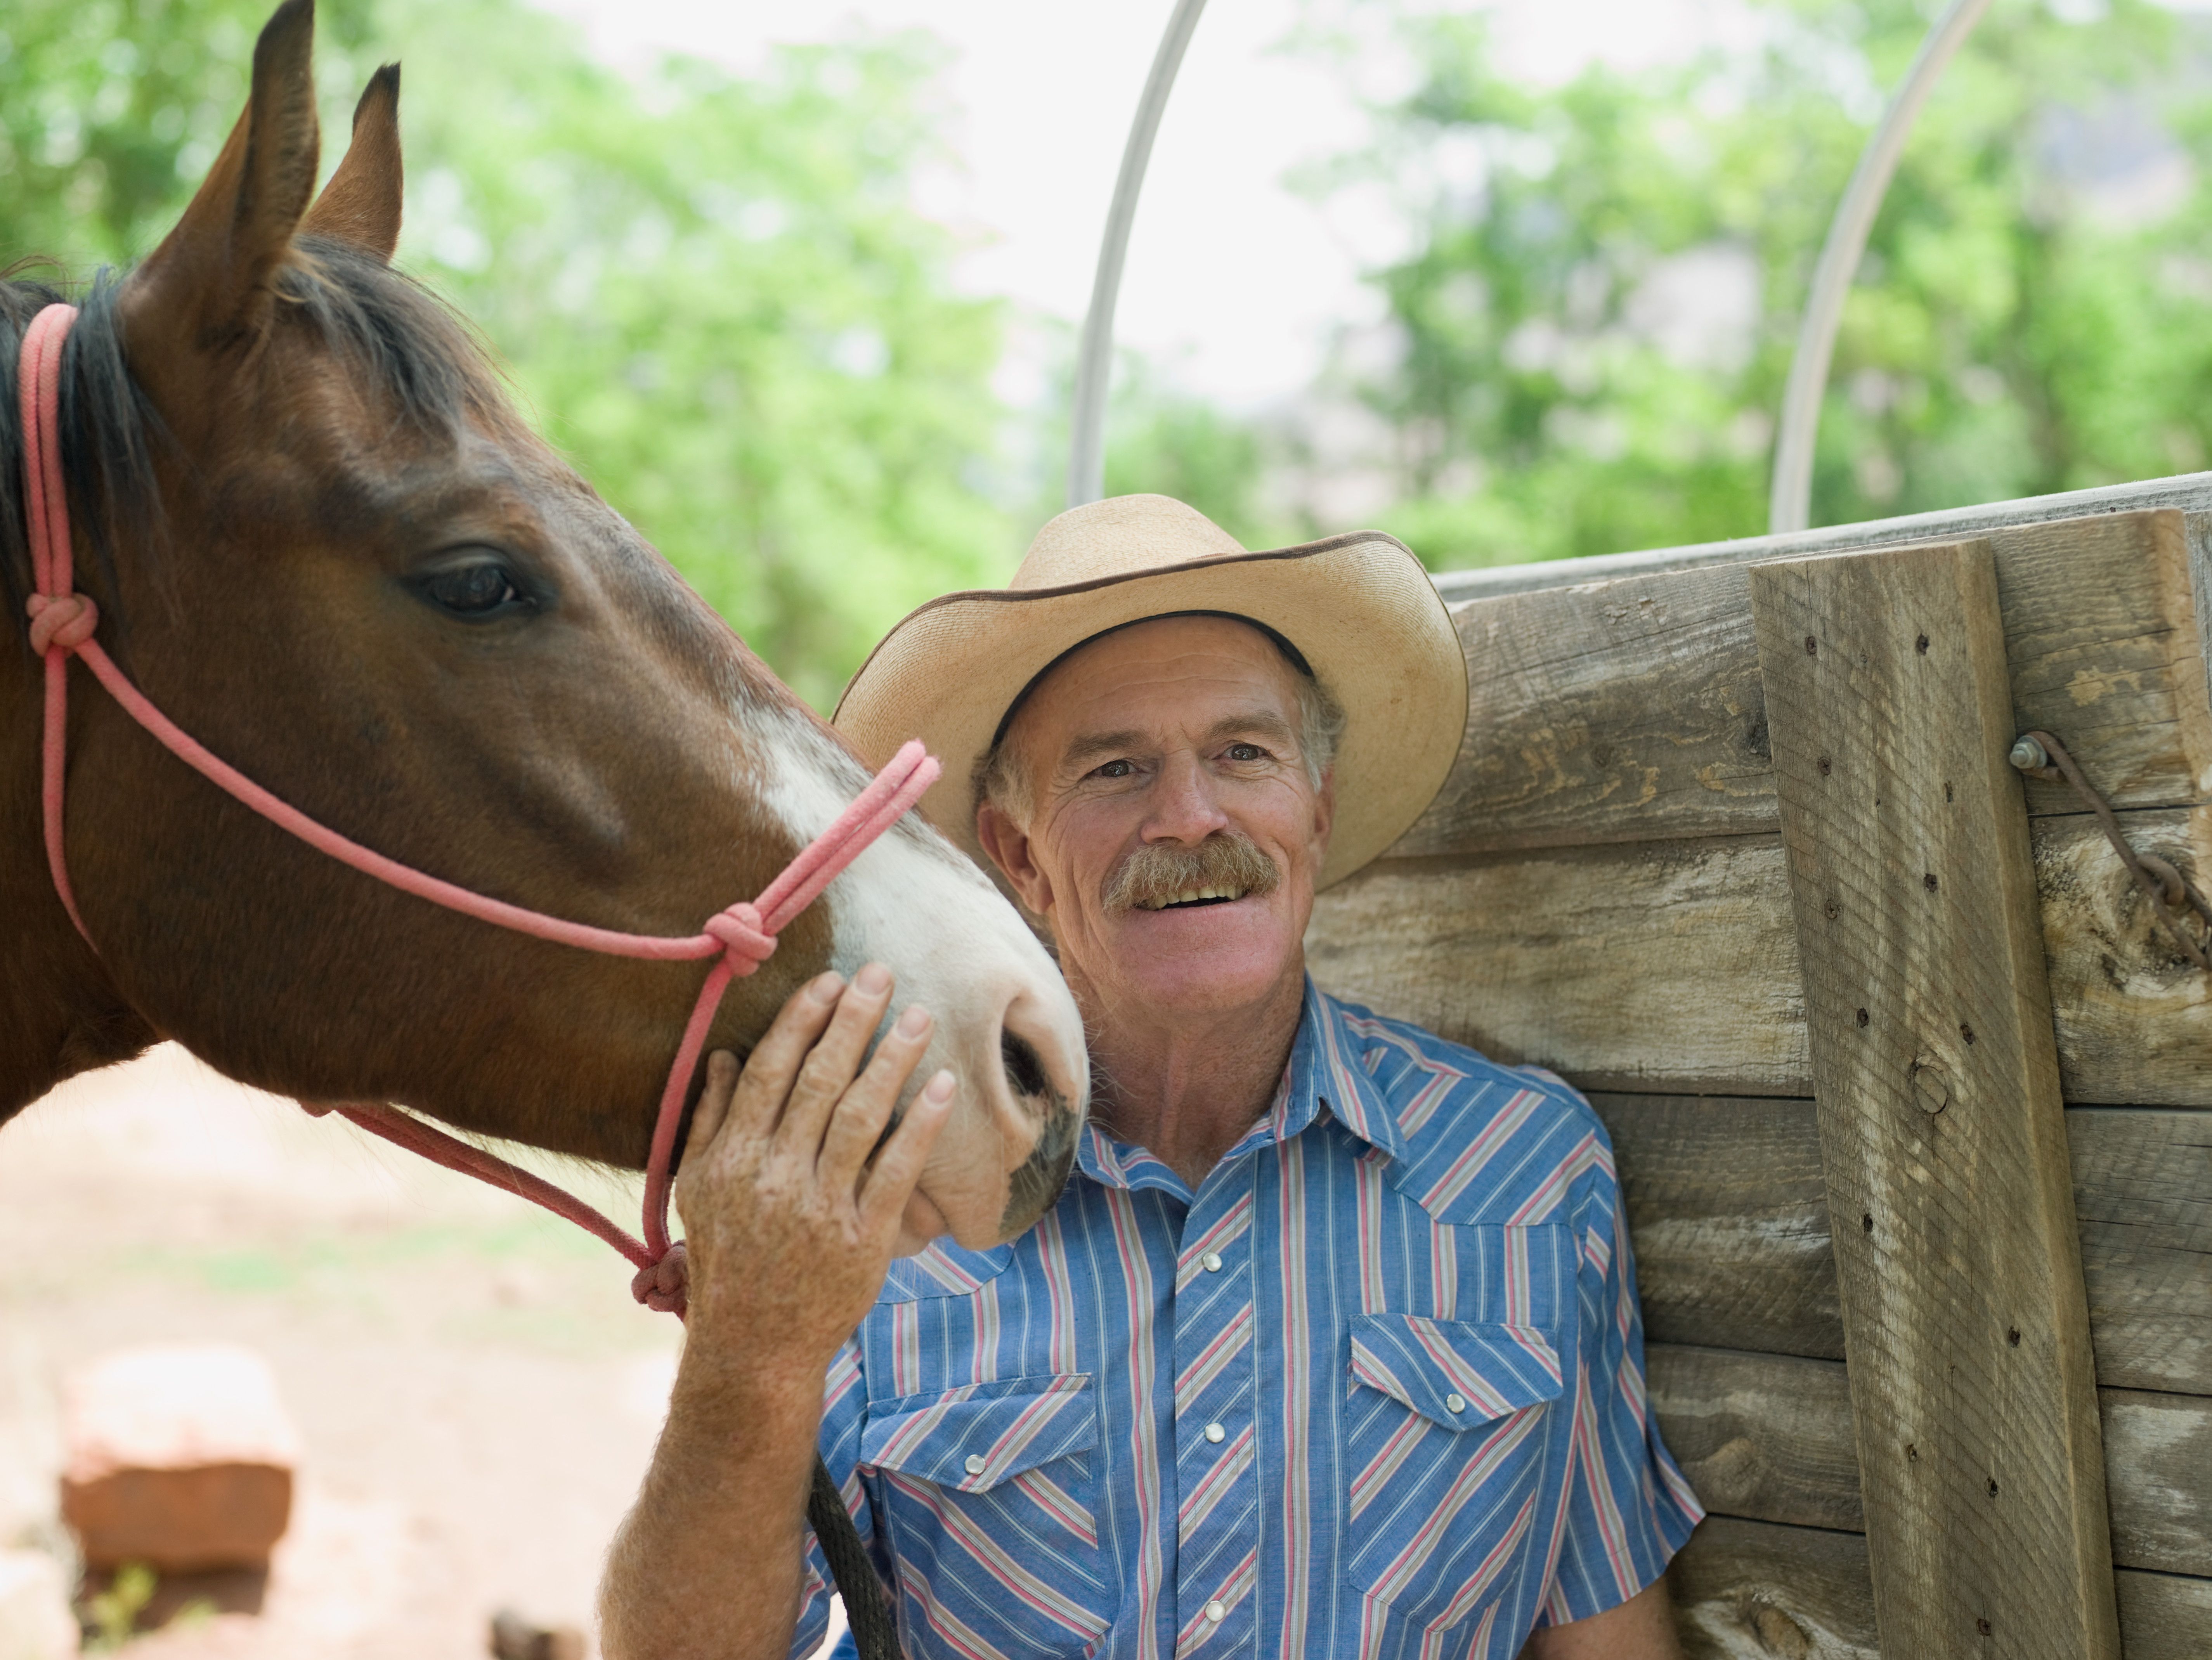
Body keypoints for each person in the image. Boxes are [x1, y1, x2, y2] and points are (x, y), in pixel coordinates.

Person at [600, 496, 1703, 1660]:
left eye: (1243, 755)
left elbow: (1609, 1644)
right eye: (1116, 769)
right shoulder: (879, 1207)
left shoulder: (1527, 1173)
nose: (1189, 817)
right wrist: (749, 1342)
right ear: (1019, 856)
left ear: (1317, 809)